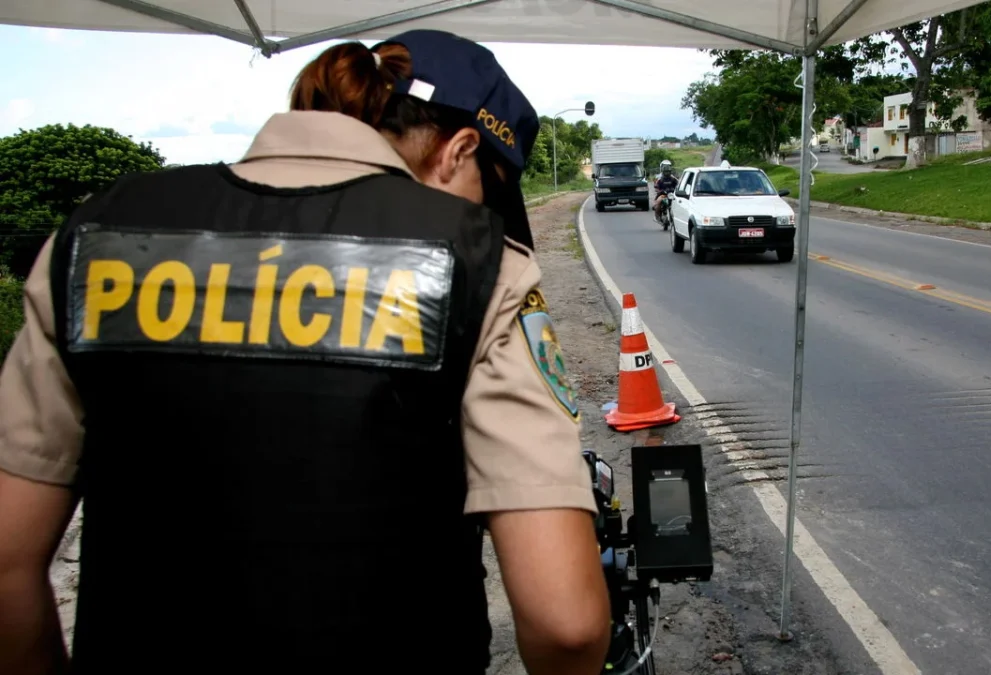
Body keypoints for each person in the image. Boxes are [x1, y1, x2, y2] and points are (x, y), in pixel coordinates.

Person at [0, 29, 610, 675]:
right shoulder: (477, 258)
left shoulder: (98, 233)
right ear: (459, 150)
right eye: (488, 185)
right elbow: (565, 622)